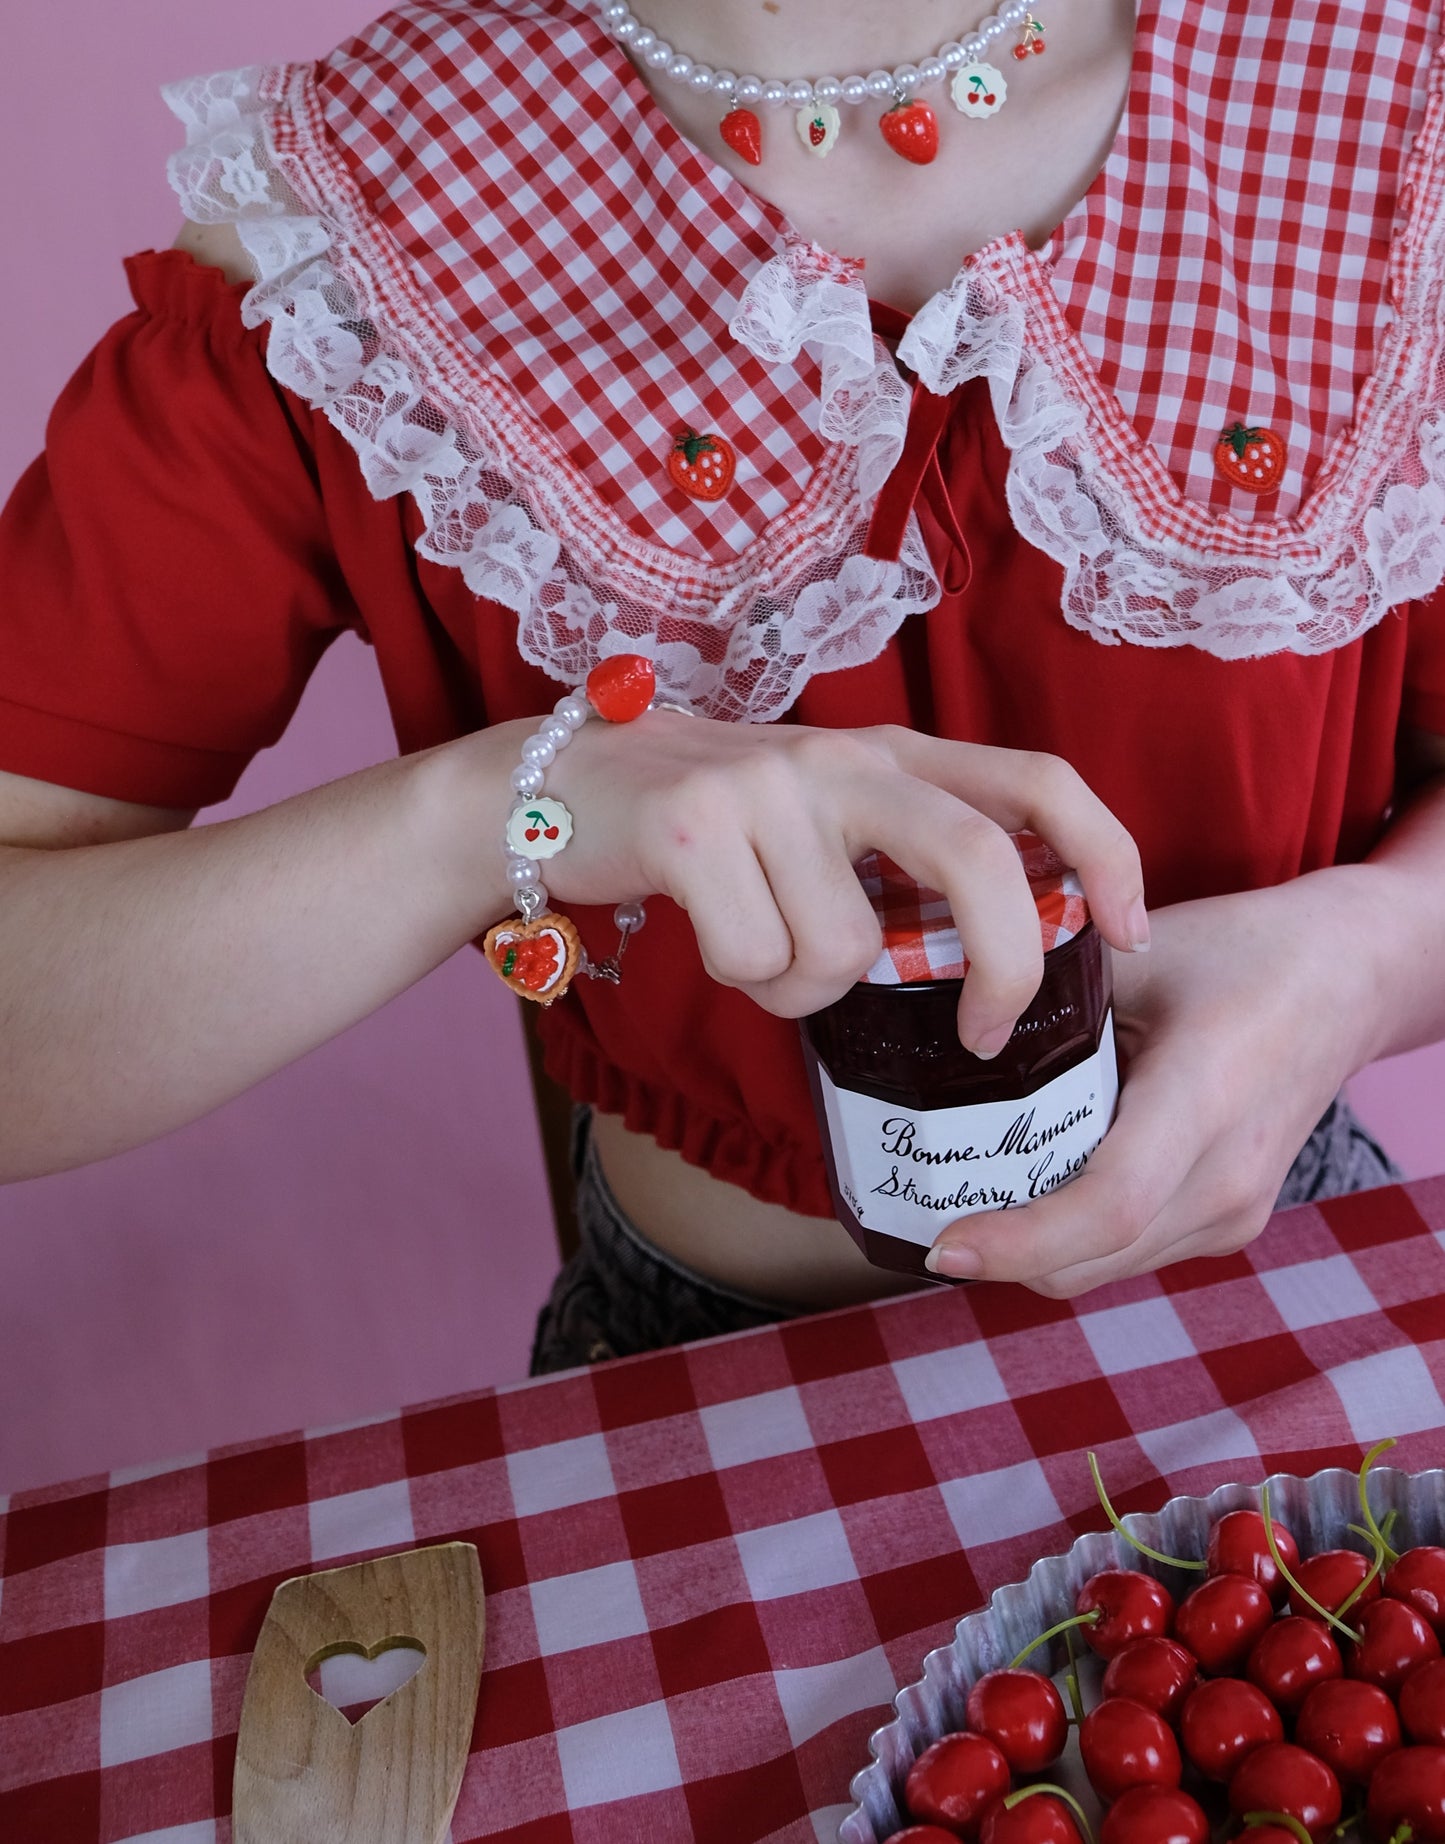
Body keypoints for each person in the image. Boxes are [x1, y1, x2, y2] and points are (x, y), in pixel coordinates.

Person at [1, 0, 1441, 1373]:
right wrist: (499, 810)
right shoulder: (360, 208)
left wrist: (1367, 956)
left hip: (1285, 1271)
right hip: (703, 1358)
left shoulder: (1391, 101)